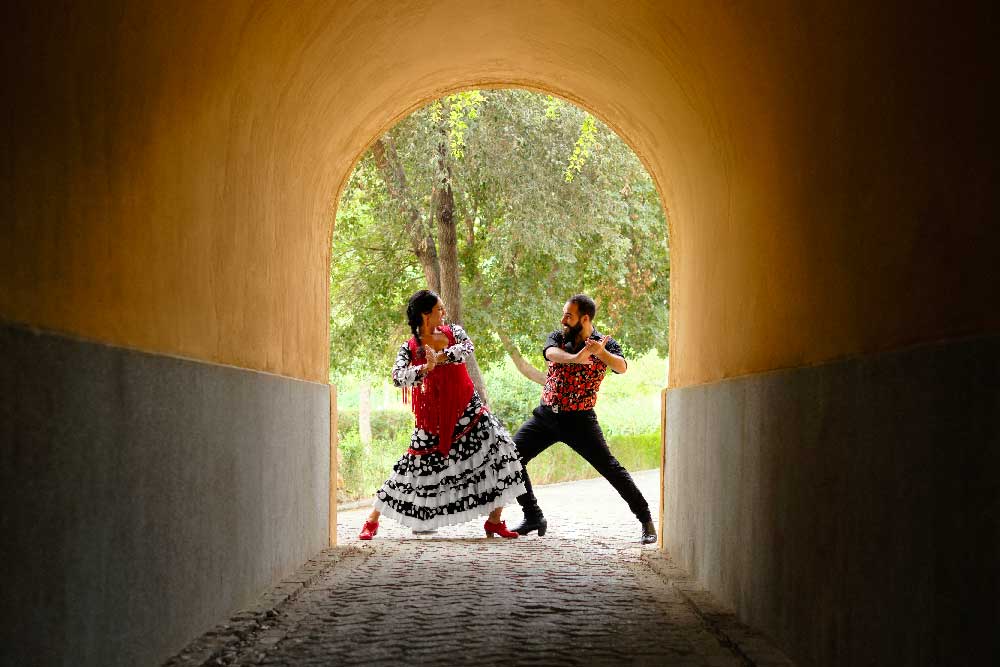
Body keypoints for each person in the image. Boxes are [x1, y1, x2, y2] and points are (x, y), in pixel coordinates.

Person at [359, 289, 526, 540]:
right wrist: (425, 367)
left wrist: (442, 356)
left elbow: (467, 348)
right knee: (412, 468)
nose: (444, 313)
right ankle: (372, 520)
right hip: (432, 418)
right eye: (439, 310)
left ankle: (494, 521)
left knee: (503, 450)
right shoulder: (410, 347)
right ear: (426, 315)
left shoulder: (454, 332)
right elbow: (397, 377)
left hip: (468, 407)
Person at [511, 294, 657, 545]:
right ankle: (533, 515)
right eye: (564, 314)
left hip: (580, 421)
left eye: (569, 315)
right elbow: (550, 353)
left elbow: (621, 367)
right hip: (546, 416)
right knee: (510, 458)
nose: (563, 319)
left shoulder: (604, 344)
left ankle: (646, 521)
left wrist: (602, 354)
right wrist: (575, 358)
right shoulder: (559, 337)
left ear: (585, 318)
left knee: (612, 469)